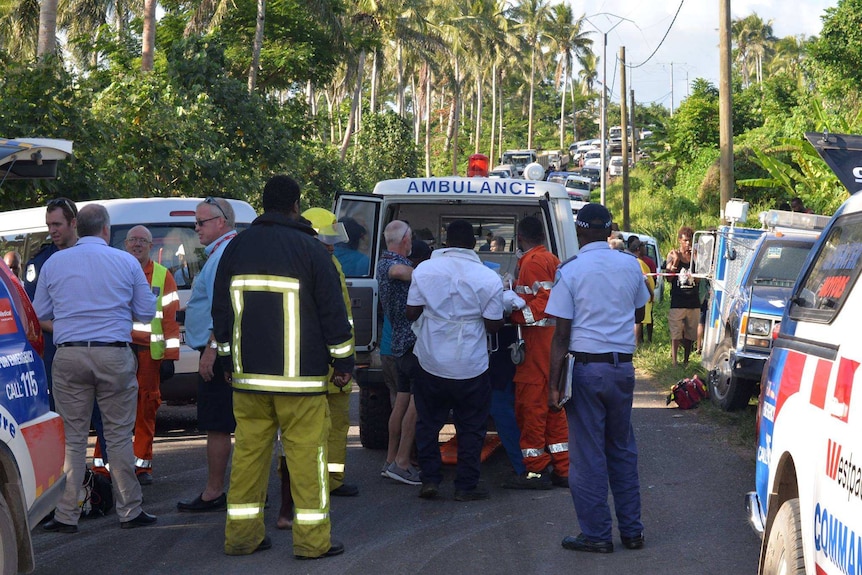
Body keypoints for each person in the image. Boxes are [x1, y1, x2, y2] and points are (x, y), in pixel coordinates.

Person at [212, 175, 353, 558]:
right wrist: (343, 362)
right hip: (302, 384)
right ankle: (312, 543)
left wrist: (226, 357)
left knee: (249, 458)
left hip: (248, 380)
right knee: (308, 459)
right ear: (296, 205)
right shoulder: (310, 250)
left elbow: (221, 311)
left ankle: (242, 537)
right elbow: (333, 313)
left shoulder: (236, 247)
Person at [33, 204, 158, 533]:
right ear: (106, 230)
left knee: (73, 441)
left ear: (78, 226)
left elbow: (40, 312)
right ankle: (130, 510)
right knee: (117, 437)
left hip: (70, 356)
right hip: (113, 355)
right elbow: (146, 313)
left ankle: (66, 515)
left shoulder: (55, 263)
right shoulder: (126, 262)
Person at [546, 203, 650, 554]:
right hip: (623, 369)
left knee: (588, 455)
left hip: (587, 371)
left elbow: (561, 335)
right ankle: (632, 532)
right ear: (609, 231)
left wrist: (553, 385)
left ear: (579, 231)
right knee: (622, 450)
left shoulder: (571, 270)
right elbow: (639, 310)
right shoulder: (629, 264)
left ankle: (597, 535)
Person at [406, 219, 504, 501]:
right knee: (472, 427)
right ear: (473, 244)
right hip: (470, 365)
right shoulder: (488, 278)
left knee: (428, 423)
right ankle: (465, 485)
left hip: (430, 360)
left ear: (446, 242)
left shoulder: (424, 270)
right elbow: (494, 325)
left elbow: (411, 313)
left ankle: (430, 480)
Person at [176, 197, 238, 513]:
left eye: (201, 222)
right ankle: (245, 489)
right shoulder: (225, 251)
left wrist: (211, 351)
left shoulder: (223, 254)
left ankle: (214, 492)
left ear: (221, 221)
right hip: (225, 348)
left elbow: (223, 308)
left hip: (219, 350)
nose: (196, 228)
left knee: (217, 425)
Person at [502, 216, 569, 490]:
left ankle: (535, 471)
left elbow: (542, 302)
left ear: (520, 238)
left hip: (537, 349)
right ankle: (563, 468)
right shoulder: (550, 259)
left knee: (531, 409)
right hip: (549, 346)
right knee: (554, 408)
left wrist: (514, 314)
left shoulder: (532, 263)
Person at [125, 226, 181, 484]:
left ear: (150, 245)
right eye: (133, 240)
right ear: (126, 244)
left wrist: (171, 356)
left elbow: (170, 320)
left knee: (146, 407)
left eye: (142, 241)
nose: (137, 244)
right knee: (114, 409)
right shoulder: (118, 269)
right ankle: (105, 468)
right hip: (122, 348)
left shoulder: (162, 275)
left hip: (149, 353)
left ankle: (142, 466)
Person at [376, 220, 422, 486]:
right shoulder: (391, 263)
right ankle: (403, 461)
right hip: (412, 343)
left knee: (402, 401)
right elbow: (398, 272)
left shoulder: (384, 261)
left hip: (399, 345)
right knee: (418, 401)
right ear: (405, 239)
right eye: (411, 237)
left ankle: (391, 459)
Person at [666, 226, 700, 366]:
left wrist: (697, 260)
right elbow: (668, 278)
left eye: (690, 240)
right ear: (680, 240)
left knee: (690, 334)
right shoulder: (673, 254)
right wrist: (676, 261)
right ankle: (674, 362)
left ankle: (686, 361)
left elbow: (698, 280)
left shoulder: (695, 256)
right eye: (685, 240)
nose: (688, 243)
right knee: (676, 333)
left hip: (693, 301)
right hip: (678, 301)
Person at [627, 236, 655, 347]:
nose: (646, 249)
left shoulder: (636, 261)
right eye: (643, 246)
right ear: (638, 248)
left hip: (640, 294)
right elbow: (645, 280)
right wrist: (651, 294)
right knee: (638, 320)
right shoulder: (637, 262)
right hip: (641, 294)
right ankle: (637, 343)